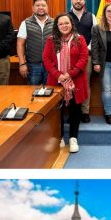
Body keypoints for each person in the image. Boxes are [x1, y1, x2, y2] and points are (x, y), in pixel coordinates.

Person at [43, 13, 89, 153]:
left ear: (71, 24)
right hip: (56, 82)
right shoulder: (51, 40)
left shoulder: (79, 39)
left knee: (75, 110)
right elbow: (46, 59)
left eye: (67, 23)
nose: (64, 26)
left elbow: (84, 57)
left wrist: (70, 74)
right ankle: (60, 137)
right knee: (58, 112)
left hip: (76, 81)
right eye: (61, 23)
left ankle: (73, 138)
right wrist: (59, 75)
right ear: (57, 26)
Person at [68, 0, 98, 123]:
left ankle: (85, 112)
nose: (78, 1)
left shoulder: (91, 16)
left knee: (85, 84)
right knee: (70, 84)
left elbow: (95, 36)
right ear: (71, 0)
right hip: (69, 57)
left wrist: (86, 49)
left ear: (84, 1)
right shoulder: (65, 17)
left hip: (87, 56)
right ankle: (72, 112)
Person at [17, 0, 54, 86]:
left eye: (43, 5)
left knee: (51, 92)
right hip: (33, 66)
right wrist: (22, 64)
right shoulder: (25, 23)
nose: (41, 7)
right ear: (33, 8)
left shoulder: (55, 23)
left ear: (47, 7)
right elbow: (20, 44)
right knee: (32, 93)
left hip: (51, 65)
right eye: (37, 5)